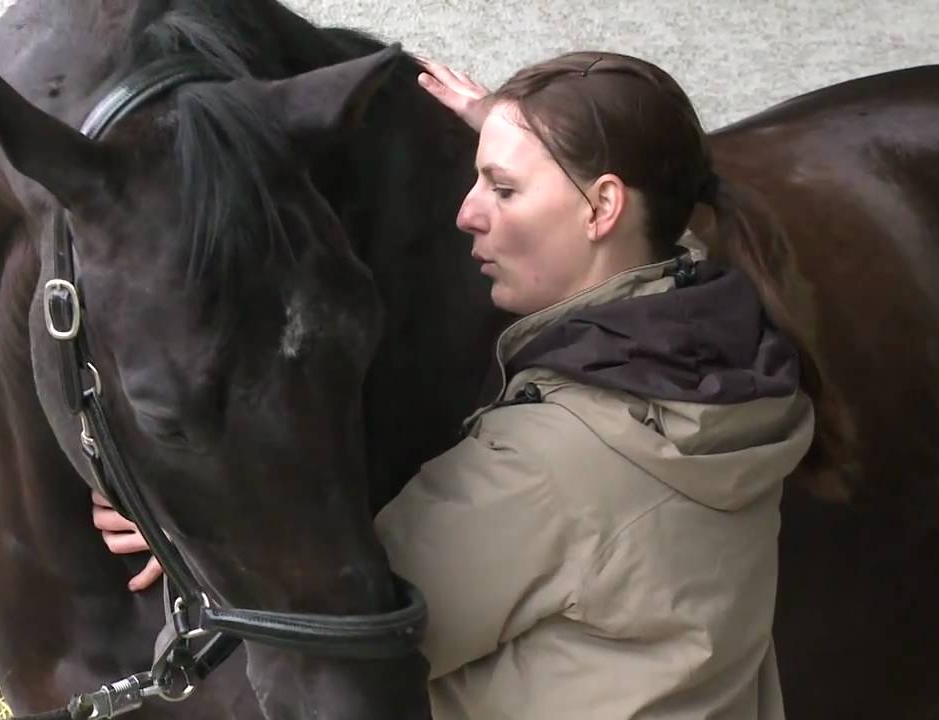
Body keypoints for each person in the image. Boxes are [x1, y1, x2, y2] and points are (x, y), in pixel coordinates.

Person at [94, 50, 846, 719]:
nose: (465, 213)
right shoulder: (725, 359)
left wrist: (200, 536)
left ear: (602, 207)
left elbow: (330, 641)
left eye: (502, 189)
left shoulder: (549, 469)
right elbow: (657, 201)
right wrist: (524, 132)